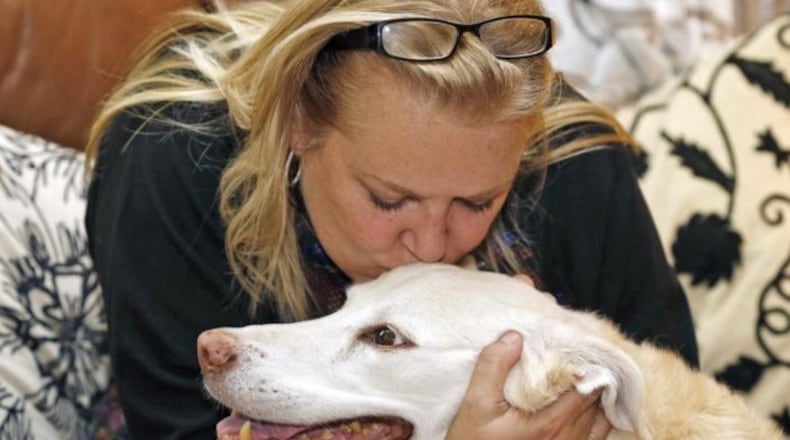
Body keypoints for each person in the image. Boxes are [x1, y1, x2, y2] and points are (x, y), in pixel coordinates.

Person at [84, 0, 699, 438]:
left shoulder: (578, 167)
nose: (431, 246)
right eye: (388, 199)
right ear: (297, 123)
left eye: (477, 203)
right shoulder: (170, 155)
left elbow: (674, 406)